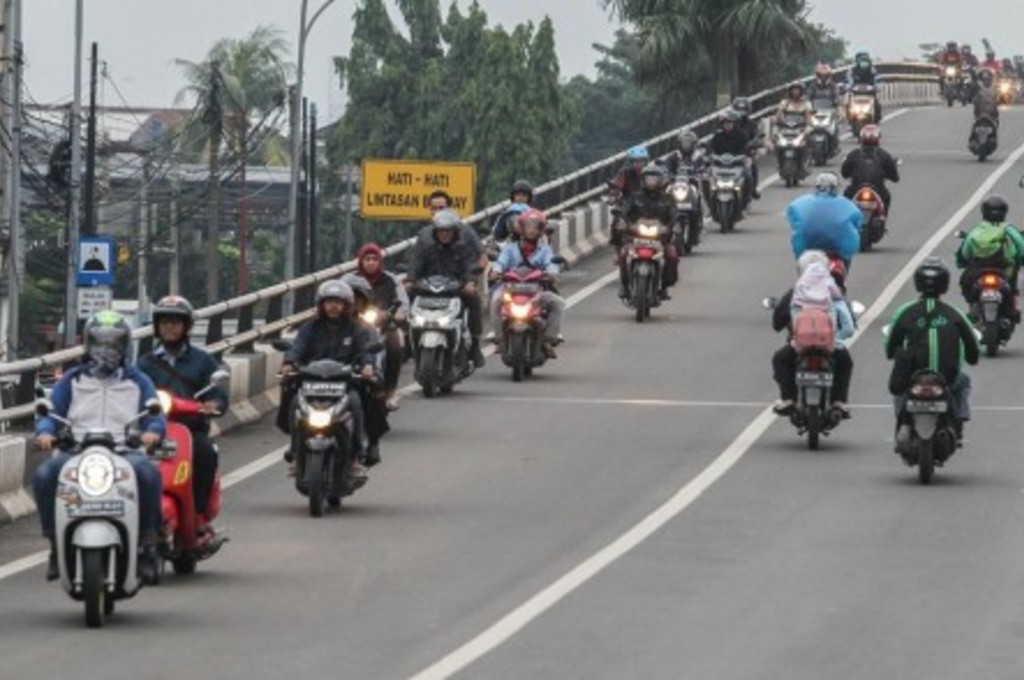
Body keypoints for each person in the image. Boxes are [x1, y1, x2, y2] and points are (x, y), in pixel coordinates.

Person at [32, 310, 165, 584]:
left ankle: (148, 545)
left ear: (124, 345)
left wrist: (152, 432)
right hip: (76, 450)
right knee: (44, 475)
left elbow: (155, 413)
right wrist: (45, 433)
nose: (106, 350)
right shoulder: (72, 379)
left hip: (124, 450)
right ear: (88, 344)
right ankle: (56, 544)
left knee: (149, 475)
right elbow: (50, 412)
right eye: (100, 342)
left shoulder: (138, 380)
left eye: (113, 343)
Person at [136, 295, 228, 542]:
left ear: (186, 327)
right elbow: (130, 393)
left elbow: (218, 393)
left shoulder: (202, 360)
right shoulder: (144, 364)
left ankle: (198, 515)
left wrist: (213, 404)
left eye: (175, 322)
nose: (169, 327)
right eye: (164, 322)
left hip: (189, 432)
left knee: (206, 453)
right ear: (156, 326)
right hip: (150, 432)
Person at [278, 280, 377, 478]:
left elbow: (366, 350)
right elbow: (297, 347)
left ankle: (357, 455)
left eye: (338, 302)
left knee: (357, 402)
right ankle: (296, 453)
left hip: (345, 383)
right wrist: (289, 362)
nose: (333, 306)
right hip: (312, 383)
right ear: (321, 304)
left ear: (347, 305)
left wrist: (367, 366)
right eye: (329, 301)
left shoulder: (357, 329)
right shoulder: (310, 328)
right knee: (295, 401)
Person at [884, 258, 980, 450]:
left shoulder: (906, 312)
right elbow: (972, 347)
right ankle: (958, 423)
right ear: (945, 284)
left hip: (913, 377)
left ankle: (902, 422)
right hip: (947, 377)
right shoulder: (954, 313)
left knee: (900, 389)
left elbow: (891, 346)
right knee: (963, 381)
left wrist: (896, 354)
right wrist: (971, 358)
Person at [770, 251, 855, 417]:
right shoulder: (833, 291)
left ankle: (788, 399)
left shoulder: (795, 292)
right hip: (828, 345)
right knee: (845, 362)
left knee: (780, 359)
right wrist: (835, 339)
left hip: (799, 345)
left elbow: (777, 323)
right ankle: (839, 402)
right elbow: (848, 326)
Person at [408, 208, 486, 367]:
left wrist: (470, 282)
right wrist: (410, 280)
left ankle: (475, 345)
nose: (444, 234)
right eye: (441, 230)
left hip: (455, 290)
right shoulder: (425, 246)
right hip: (428, 290)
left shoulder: (463, 247)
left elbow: (470, 266)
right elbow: (416, 264)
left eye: (448, 231)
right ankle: (407, 342)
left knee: (474, 300)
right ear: (435, 231)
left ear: (454, 231)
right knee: (406, 299)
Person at [488, 209, 566, 357]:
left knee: (559, 303)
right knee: (495, 301)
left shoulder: (545, 250)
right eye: (528, 226)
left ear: (541, 229)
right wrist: (496, 272)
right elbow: (500, 262)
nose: (531, 230)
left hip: (536, 291)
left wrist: (552, 274)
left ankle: (548, 339)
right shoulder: (510, 249)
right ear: (521, 228)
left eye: (535, 226)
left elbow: (551, 265)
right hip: (510, 289)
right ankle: (500, 340)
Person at [613, 162, 680, 301]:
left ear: (661, 180)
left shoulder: (668, 199)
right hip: (635, 236)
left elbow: (675, 214)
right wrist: (621, 220)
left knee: (672, 256)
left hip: (660, 238)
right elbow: (623, 210)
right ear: (643, 180)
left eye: (654, 178)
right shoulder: (634, 197)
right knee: (624, 254)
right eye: (648, 178)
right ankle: (625, 285)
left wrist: (675, 224)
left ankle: (664, 286)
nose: (651, 182)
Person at [355, 243, 410, 410]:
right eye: (367, 259)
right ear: (361, 261)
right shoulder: (352, 280)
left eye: (374, 259)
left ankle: (391, 389)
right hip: (357, 327)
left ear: (380, 261)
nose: (371, 263)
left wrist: (398, 314)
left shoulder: (391, 280)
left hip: (386, 325)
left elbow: (403, 302)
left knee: (394, 347)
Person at [955, 196, 1024, 323]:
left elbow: (964, 254)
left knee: (967, 288)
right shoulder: (1009, 230)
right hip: (1004, 273)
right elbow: (1021, 248)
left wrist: (962, 262)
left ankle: (972, 312)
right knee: (1013, 283)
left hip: (977, 273)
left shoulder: (976, 232)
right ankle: (1012, 309)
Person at [787, 172, 862, 268]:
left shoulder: (801, 203)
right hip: (836, 251)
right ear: (835, 187)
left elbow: (793, 219)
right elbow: (857, 221)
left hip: (808, 251)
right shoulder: (847, 204)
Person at [840, 124, 900, 214]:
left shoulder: (854, 154)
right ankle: (882, 217)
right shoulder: (884, 155)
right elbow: (895, 177)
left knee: (846, 197)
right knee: (886, 197)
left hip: (856, 188)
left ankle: (847, 217)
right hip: (877, 189)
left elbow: (844, 173)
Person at [421, 190, 485, 268]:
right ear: (429, 209)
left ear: (449, 209)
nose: (437, 212)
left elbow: (482, 257)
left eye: (441, 208)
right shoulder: (424, 234)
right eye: (434, 208)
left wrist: (475, 275)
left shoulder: (465, 231)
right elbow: (417, 261)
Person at [709, 109, 757, 201]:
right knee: (707, 178)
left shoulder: (742, 135)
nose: (728, 125)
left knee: (748, 175)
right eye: (725, 123)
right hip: (720, 165)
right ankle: (710, 200)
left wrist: (749, 152)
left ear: (734, 123)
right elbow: (711, 148)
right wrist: (707, 154)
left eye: (730, 123)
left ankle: (748, 196)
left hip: (737, 164)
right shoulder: (717, 136)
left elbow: (747, 148)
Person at [731, 97, 763, 199]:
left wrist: (754, 144)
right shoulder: (729, 123)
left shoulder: (751, 124)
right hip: (730, 154)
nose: (741, 113)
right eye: (738, 109)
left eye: (743, 110)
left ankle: (753, 188)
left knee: (752, 166)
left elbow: (757, 136)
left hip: (746, 153)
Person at [846, 51, 883, 120]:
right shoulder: (852, 70)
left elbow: (877, 80)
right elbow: (848, 81)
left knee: (877, 103)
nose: (863, 63)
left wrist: (877, 87)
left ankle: (876, 119)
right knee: (848, 103)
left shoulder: (873, 70)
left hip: (869, 94)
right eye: (862, 61)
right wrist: (847, 87)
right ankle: (849, 119)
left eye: (865, 61)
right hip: (856, 94)